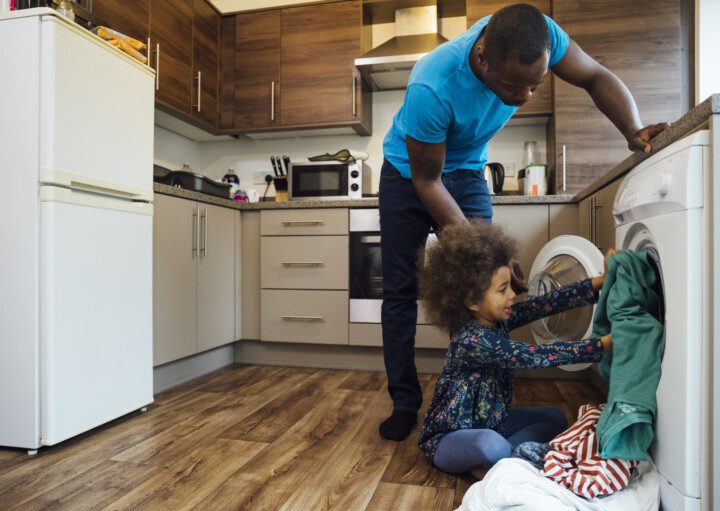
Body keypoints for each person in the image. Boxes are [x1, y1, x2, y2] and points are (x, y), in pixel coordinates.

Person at [377, 2, 667, 441]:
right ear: (482, 59)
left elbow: (594, 76)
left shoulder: (540, 35)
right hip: (410, 175)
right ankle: (404, 402)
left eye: (535, 83)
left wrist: (633, 129)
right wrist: (490, 252)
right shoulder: (433, 85)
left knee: (487, 290)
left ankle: (475, 398)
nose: (524, 96)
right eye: (513, 85)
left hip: (468, 171)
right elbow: (427, 179)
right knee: (401, 290)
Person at [417, 220, 615, 477]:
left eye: (509, 285)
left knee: (555, 418)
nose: (512, 294)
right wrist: (602, 345)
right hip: (448, 439)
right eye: (502, 290)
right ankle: (506, 461)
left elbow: (543, 304)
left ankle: (502, 463)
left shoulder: (496, 318)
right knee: (489, 444)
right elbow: (533, 356)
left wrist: (598, 283)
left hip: (494, 424)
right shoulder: (471, 340)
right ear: (472, 302)